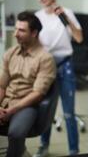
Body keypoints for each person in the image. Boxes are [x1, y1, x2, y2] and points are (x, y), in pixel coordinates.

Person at [34, 0, 83, 156]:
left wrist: (65, 18)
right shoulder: (37, 17)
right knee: (46, 109)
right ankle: (44, 146)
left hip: (65, 66)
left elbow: (79, 38)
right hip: (46, 67)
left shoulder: (67, 13)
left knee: (69, 113)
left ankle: (74, 151)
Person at [0, 11, 56, 157]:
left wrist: (10, 111)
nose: (15, 34)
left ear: (34, 33)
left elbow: (38, 94)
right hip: (6, 100)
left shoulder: (45, 58)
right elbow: (2, 86)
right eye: (15, 29)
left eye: (21, 30)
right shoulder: (10, 53)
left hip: (27, 105)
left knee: (16, 134)